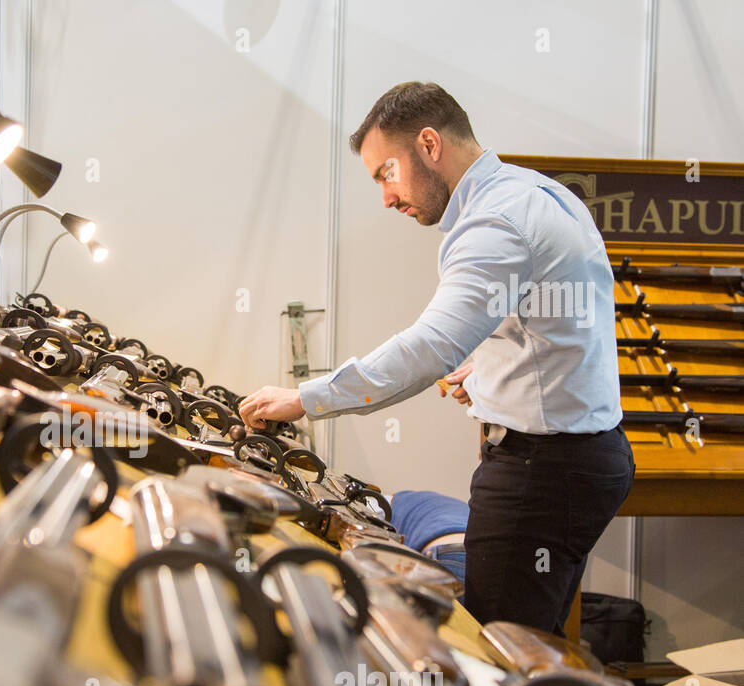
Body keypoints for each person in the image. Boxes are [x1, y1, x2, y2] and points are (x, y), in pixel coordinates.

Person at [238, 81, 634, 637]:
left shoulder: (496, 222)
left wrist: (304, 398)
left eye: (386, 174)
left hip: (541, 472)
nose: (386, 198)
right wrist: (493, 369)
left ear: (428, 145)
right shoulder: (534, 192)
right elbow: (562, 320)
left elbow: (430, 346)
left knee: (499, 649)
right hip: (581, 460)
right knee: (536, 641)